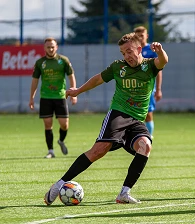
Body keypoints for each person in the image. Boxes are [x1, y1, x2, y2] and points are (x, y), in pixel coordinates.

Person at [44, 32, 168, 205]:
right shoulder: (118, 67)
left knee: (145, 146)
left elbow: (162, 61)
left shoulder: (149, 66)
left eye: (129, 51)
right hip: (118, 114)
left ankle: (124, 193)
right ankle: (59, 184)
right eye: (123, 53)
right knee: (99, 150)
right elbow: (98, 80)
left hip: (137, 121)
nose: (126, 56)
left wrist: (160, 51)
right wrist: (78, 90)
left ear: (139, 49)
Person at [29, 37, 77, 159]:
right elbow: (35, 81)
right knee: (48, 124)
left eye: (52, 47)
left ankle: (61, 140)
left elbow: (71, 76)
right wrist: (31, 98)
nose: (50, 49)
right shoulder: (40, 63)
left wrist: (73, 92)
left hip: (60, 96)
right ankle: (51, 151)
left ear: (56, 47)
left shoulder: (64, 61)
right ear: (44, 48)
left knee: (64, 125)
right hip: (45, 97)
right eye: (48, 47)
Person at [134, 26, 163, 138]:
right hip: (134, 87)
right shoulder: (133, 50)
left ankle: (149, 136)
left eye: (142, 35)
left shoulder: (151, 50)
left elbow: (159, 70)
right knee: (133, 112)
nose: (140, 38)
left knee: (148, 113)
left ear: (146, 36)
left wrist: (158, 89)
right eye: (137, 36)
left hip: (148, 87)